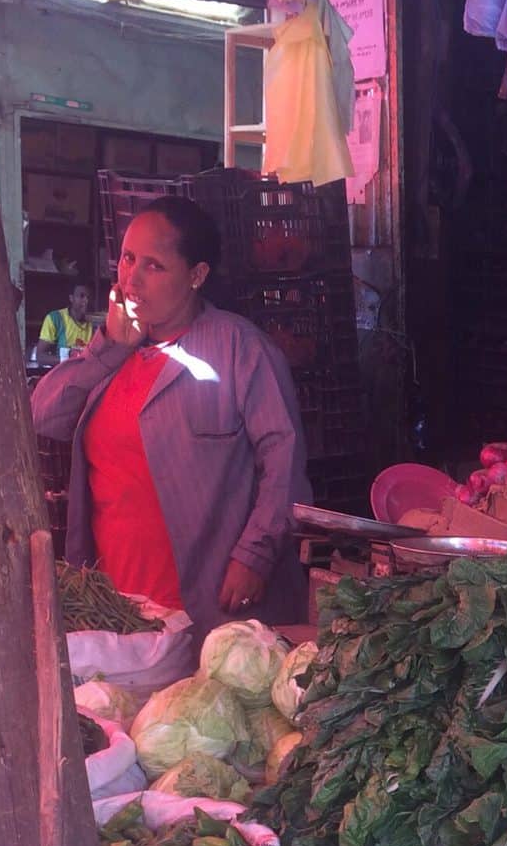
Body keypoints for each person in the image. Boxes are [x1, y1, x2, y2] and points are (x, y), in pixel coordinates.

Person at [31, 198, 307, 634]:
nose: (132, 278)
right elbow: (41, 416)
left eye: (154, 266)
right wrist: (109, 346)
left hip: (211, 612)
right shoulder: (113, 351)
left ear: (196, 275)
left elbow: (284, 463)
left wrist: (256, 554)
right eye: (127, 258)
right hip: (119, 614)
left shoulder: (240, 350)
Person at [34, 281, 95, 364]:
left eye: (88, 297)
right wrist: (67, 360)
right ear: (71, 298)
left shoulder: (94, 323)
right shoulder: (55, 319)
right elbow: (40, 356)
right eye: (81, 296)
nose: (86, 301)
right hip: (63, 375)